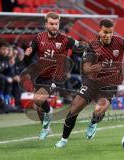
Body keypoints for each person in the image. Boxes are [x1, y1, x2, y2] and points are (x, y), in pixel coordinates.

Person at [55, 19, 124, 148]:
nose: (108, 35)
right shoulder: (92, 46)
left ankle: (93, 123)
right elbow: (86, 68)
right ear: (99, 31)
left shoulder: (120, 42)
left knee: (99, 110)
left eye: (110, 33)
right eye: (105, 32)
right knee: (74, 108)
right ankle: (63, 140)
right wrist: (93, 68)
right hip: (92, 82)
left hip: (110, 84)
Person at [24, 12, 85, 140]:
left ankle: (49, 111)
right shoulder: (38, 38)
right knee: (38, 106)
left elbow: (80, 47)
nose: (54, 26)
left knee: (38, 100)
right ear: (46, 24)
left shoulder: (65, 40)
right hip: (41, 75)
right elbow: (28, 57)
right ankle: (46, 128)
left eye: (56, 24)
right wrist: (27, 54)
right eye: (51, 24)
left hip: (56, 76)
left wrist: (87, 48)